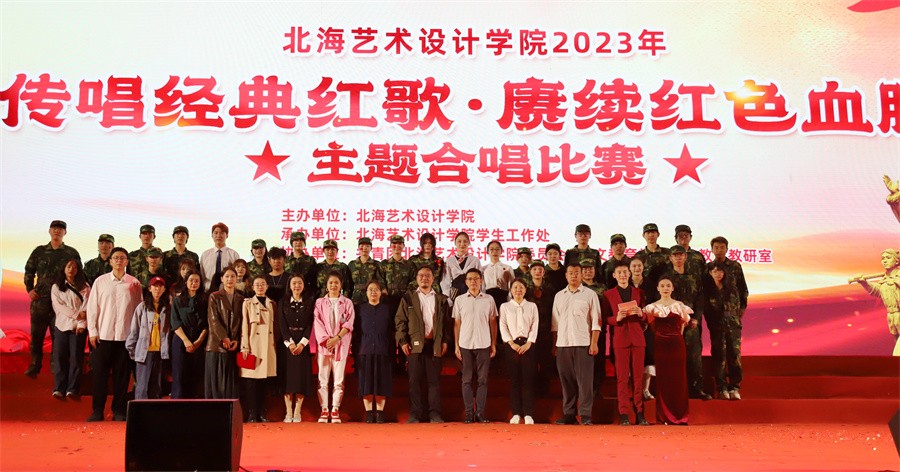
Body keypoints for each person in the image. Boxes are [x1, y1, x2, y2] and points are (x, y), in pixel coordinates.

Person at [85, 246, 142, 422]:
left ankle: (118, 410)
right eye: (115, 258)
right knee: (99, 376)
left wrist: (136, 336)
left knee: (122, 377)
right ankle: (97, 410)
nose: (119, 261)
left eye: (122, 258)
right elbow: (92, 308)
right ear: (110, 261)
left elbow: (138, 310)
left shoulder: (134, 283)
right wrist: (92, 331)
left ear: (127, 261)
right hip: (103, 336)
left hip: (125, 337)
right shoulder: (100, 282)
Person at [24, 220, 81, 377]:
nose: (57, 231)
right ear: (49, 231)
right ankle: (35, 364)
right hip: (41, 299)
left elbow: (78, 274)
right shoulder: (39, 251)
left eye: (60, 229)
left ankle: (56, 367)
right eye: (54, 228)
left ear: (65, 233)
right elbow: (29, 271)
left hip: (62, 300)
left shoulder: (71, 253)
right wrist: (29, 289)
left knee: (59, 335)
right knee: (37, 334)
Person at [395, 265, 451, 423]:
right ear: (416, 278)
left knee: (434, 382)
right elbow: (400, 321)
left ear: (433, 279)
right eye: (421, 275)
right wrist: (403, 341)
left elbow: (447, 324)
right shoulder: (408, 298)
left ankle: (435, 414)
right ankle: (415, 414)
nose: (424, 278)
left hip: (435, 345)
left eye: (428, 276)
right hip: (414, 346)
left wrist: (445, 341)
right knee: (414, 382)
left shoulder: (441, 299)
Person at [552, 261, 602, 425]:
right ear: (566, 275)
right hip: (563, 344)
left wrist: (594, 343)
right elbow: (555, 324)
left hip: (583, 343)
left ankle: (586, 415)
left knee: (585, 382)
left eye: (576, 273)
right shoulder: (559, 296)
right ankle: (569, 414)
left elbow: (596, 321)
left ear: (581, 275)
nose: (573, 276)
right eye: (570, 273)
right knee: (566, 381)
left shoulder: (590, 295)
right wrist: (554, 345)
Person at [602, 261, 648, 426]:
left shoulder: (639, 292)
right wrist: (616, 318)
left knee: (638, 377)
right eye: (619, 272)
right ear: (614, 275)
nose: (622, 275)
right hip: (620, 340)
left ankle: (640, 412)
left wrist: (641, 313)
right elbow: (605, 318)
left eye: (625, 272)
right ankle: (624, 413)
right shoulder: (608, 294)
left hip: (637, 339)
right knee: (622, 378)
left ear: (630, 274)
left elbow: (645, 315)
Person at [643, 275, 692, 425]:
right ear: (658, 288)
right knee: (663, 380)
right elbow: (652, 327)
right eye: (662, 286)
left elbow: (682, 326)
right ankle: (664, 416)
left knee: (679, 379)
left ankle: (680, 415)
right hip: (660, 346)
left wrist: (674, 336)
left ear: (672, 288)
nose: (665, 288)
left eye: (668, 286)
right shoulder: (651, 308)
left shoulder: (680, 306)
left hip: (677, 345)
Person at [453, 268, 498, 423]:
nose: (473, 281)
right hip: (465, 343)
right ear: (466, 282)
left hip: (483, 343)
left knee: (482, 380)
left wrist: (493, 343)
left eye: (476, 278)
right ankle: (468, 413)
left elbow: (493, 322)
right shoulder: (459, 300)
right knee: (466, 379)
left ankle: (480, 413)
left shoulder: (489, 299)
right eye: (470, 279)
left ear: (481, 281)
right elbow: (457, 323)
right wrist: (456, 345)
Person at [665, 245, 710, 400]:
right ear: (670, 258)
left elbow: (700, 299)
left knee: (694, 357)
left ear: (685, 257)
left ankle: (696, 389)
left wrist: (696, 317)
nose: (678, 258)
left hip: (691, 323)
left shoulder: (694, 277)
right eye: (675, 255)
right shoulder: (666, 278)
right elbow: (663, 300)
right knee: (673, 357)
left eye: (681, 255)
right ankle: (675, 391)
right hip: (673, 323)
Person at [313, 271, 355, 423]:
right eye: (330, 282)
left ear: (341, 285)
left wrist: (337, 338)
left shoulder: (347, 303)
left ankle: (335, 409)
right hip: (324, 346)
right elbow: (318, 323)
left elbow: (349, 323)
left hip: (341, 345)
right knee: (322, 379)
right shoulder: (319, 303)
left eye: (336, 282)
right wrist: (327, 341)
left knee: (338, 380)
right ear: (326, 285)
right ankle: (324, 409)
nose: (333, 285)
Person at [499, 278, 539, 425]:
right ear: (511, 290)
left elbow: (535, 325)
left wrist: (529, 342)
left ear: (525, 290)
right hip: (511, 346)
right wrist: (511, 343)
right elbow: (503, 325)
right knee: (514, 381)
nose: (518, 290)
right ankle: (516, 413)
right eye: (515, 287)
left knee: (528, 381)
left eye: (521, 287)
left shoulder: (532, 306)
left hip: (528, 345)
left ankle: (528, 414)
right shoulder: (505, 306)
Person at [355, 280, 395, 423]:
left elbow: (391, 330)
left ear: (380, 292)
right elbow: (356, 331)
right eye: (370, 289)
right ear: (366, 293)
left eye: (376, 289)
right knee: (366, 382)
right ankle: (368, 412)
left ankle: (379, 412)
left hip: (383, 349)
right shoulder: (360, 309)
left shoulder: (387, 309)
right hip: (364, 349)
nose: (373, 292)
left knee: (381, 382)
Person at [49, 258, 90, 399]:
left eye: (74, 267)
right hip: (62, 325)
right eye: (68, 267)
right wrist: (76, 315)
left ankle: (72, 389)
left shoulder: (85, 286)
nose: (71, 269)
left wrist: (81, 324)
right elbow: (59, 306)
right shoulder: (56, 287)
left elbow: (86, 307)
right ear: (64, 269)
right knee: (60, 357)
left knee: (76, 358)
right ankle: (59, 388)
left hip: (78, 328)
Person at [126, 276, 171, 400]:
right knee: (142, 386)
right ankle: (140, 410)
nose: (157, 289)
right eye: (155, 286)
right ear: (150, 289)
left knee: (156, 386)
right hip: (144, 352)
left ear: (164, 289)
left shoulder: (167, 308)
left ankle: (154, 410)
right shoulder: (142, 307)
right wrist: (132, 349)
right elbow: (134, 330)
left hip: (161, 352)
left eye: (160, 286)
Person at [240, 276, 278, 422]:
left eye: (263, 284)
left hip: (268, 347)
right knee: (251, 382)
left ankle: (262, 413)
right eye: (257, 284)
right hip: (252, 346)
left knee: (264, 382)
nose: (260, 287)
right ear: (253, 287)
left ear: (267, 286)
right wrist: (245, 346)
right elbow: (244, 326)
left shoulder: (272, 304)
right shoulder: (248, 303)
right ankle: (251, 413)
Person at [850, 249, 900, 356]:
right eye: (883, 258)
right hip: (892, 316)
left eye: (888, 258)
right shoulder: (885, 279)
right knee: (897, 343)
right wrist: (864, 282)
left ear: (896, 261)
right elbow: (878, 291)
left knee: (897, 352)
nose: (885, 261)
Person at [278, 275, 314, 423]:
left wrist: (303, 343)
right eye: (294, 283)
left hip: (303, 344)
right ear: (289, 285)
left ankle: (297, 411)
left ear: (304, 285)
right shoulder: (283, 302)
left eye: (300, 283)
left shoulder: (309, 302)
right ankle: (288, 411)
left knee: (301, 379)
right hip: (288, 345)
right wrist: (290, 343)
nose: (297, 286)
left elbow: (310, 324)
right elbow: (281, 324)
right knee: (288, 379)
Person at [706, 262, 744, 400]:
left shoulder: (732, 289)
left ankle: (735, 387)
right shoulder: (708, 291)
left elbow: (738, 307)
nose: (718, 274)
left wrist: (735, 322)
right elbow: (707, 311)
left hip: (733, 327)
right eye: (714, 271)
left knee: (734, 356)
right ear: (710, 273)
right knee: (719, 357)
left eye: (720, 271)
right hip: (717, 327)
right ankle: (721, 388)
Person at [205, 266, 244, 399]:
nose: (230, 279)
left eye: (233, 276)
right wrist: (224, 338)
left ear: (237, 279)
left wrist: (236, 340)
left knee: (230, 384)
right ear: (222, 279)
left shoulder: (241, 298)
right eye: (227, 276)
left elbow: (242, 322)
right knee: (217, 383)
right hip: (216, 345)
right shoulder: (214, 296)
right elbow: (213, 320)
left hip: (233, 345)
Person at [170, 271, 208, 399]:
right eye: (191, 280)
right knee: (180, 373)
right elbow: (175, 322)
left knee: (196, 373)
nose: (194, 283)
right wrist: (186, 341)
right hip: (181, 340)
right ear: (186, 282)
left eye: (197, 281)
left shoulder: (204, 300)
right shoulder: (178, 300)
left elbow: (207, 323)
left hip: (199, 341)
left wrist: (199, 341)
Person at [381, 235, 416, 371]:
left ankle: (402, 364)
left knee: (403, 331)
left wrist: (406, 293)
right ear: (391, 246)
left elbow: (414, 281)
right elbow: (380, 280)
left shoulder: (409, 265)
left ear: (403, 246)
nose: (397, 246)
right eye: (394, 244)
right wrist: (384, 291)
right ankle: (390, 364)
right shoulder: (384, 264)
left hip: (404, 301)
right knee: (389, 332)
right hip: (388, 301)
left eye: (400, 244)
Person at [526, 260, 557, 395]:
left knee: (546, 362)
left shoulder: (550, 288)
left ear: (544, 272)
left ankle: (544, 392)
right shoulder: (525, 288)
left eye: (540, 269)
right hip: (529, 331)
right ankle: (531, 391)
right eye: (534, 269)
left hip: (546, 330)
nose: (537, 272)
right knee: (530, 363)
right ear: (530, 272)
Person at [630, 257, 656, 401]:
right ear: (629, 268)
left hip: (648, 325)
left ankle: (645, 389)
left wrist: (646, 319)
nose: (637, 268)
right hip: (630, 325)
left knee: (648, 355)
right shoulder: (625, 283)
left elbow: (655, 303)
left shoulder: (651, 283)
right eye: (634, 266)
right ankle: (634, 390)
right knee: (632, 357)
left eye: (639, 265)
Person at [580, 259, 607, 395]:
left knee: (599, 360)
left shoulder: (602, 288)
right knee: (583, 361)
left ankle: (597, 388)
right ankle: (584, 390)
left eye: (590, 269)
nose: (588, 271)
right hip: (582, 330)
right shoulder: (577, 288)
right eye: (584, 269)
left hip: (599, 328)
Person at [441, 231, 481, 303]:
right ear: (455, 243)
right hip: (455, 294)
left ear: (469, 243)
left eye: (465, 241)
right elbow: (445, 282)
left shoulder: (475, 260)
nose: (462, 244)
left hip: (472, 293)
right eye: (459, 241)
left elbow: (480, 280)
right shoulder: (449, 261)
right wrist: (447, 298)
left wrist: (480, 295)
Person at [200, 222, 241, 292]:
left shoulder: (234, 255)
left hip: (228, 291)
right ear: (212, 235)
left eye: (222, 233)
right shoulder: (205, 255)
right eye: (216, 233)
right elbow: (202, 276)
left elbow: (237, 275)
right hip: (207, 291)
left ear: (227, 235)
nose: (218, 235)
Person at [349, 237, 385, 306]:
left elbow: (380, 282)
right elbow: (349, 285)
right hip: (356, 298)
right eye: (362, 246)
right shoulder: (352, 264)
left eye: (367, 246)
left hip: (372, 297)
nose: (364, 248)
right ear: (358, 248)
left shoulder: (376, 264)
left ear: (371, 248)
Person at [482, 240, 515, 309]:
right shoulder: (483, 269)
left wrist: (509, 300)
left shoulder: (507, 268)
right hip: (488, 296)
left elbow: (511, 286)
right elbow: (482, 286)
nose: (495, 252)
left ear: (501, 251)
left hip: (503, 296)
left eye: (497, 249)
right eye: (491, 249)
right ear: (487, 252)